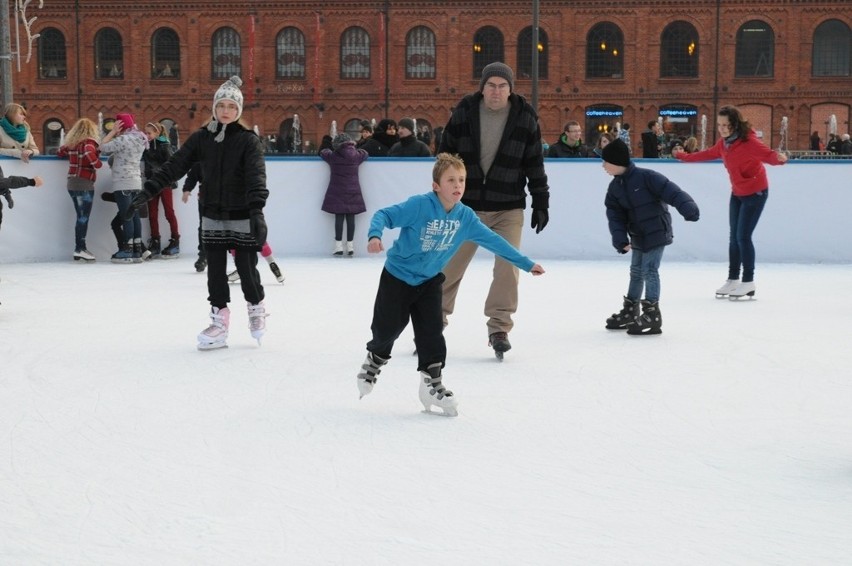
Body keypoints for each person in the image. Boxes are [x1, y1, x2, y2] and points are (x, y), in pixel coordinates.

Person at [356, 153, 545, 416]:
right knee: (387, 329)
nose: (458, 186)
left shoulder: (465, 217)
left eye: (462, 180)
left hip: (431, 281)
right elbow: (384, 215)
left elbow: (495, 241)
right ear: (436, 186)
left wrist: (525, 263)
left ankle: (432, 383)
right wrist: (375, 235)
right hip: (398, 278)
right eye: (451, 180)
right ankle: (375, 360)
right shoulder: (419, 206)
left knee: (432, 333)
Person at [126, 76, 270, 350]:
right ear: (214, 108)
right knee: (214, 271)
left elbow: (256, 177)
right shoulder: (202, 139)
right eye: (221, 105)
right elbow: (175, 165)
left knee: (246, 270)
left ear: (238, 111)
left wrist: (257, 212)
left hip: (241, 214)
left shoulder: (248, 141)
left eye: (231, 106)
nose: (226, 111)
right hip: (213, 214)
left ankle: (256, 308)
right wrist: (149, 190)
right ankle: (219, 321)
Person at [438, 61, 550, 358]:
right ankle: (434, 320)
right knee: (448, 266)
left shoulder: (525, 118)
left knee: (507, 268)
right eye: (491, 85)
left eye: (502, 86)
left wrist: (541, 199)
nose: (496, 91)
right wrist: (444, 195)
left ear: (510, 89)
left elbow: (534, 163)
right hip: (467, 208)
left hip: (507, 207)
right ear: (482, 87)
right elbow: (445, 157)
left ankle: (499, 327)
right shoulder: (463, 113)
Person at [673, 105, 787, 300]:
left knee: (743, 237)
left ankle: (748, 282)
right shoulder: (724, 144)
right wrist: (684, 157)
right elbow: (706, 154)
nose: (722, 128)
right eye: (719, 125)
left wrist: (781, 158)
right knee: (733, 237)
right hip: (737, 193)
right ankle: (733, 279)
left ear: (735, 124)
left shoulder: (749, 142)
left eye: (726, 125)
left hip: (756, 193)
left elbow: (769, 156)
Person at [602, 139, 699, 335]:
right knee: (636, 271)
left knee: (649, 270)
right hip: (637, 234)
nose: (603, 166)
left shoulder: (647, 177)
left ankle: (652, 314)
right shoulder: (615, 188)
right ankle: (631, 310)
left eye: (606, 162)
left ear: (617, 161)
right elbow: (615, 217)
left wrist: (688, 209)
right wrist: (620, 240)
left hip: (656, 232)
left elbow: (673, 192)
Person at [100, 112, 149, 263]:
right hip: (136, 182)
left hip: (122, 182)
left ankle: (127, 250)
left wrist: (113, 132)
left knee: (126, 216)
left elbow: (102, 147)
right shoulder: (141, 139)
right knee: (134, 216)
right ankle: (137, 250)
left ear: (120, 125)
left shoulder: (122, 139)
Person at [56, 117, 103, 262]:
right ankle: (80, 248)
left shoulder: (71, 144)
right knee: (83, 217)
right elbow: (96, 163)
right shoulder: (89, 144)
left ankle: (80, 248)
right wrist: (98, 159)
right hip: (84, 183)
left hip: (72, 182)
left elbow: (60, 152)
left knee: (80, 216)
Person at [319, 133, 368, 256]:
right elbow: (365, 153)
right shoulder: (356, 155)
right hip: (353, 190)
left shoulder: (333, 156)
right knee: (351, 217)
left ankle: (338, 246)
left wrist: (328, 144)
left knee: (339, 217)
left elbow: (323, 152)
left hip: (337, 190)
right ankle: (351, 246)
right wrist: (359, 149)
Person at [142, 121, 180, 258]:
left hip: (164, 183)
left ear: (157, 133)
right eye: (145, 133)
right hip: (151, 184)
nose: (147, 135)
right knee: (152, 213)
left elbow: (171, 163)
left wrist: (170, 180)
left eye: (149, 133)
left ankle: (175, 241)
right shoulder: (145, 146)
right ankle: (155, 241)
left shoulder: (165, 145)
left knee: (169, 212)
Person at [181, 162, 207, 272]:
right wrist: (187, 189)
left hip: (227, 197)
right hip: (206, 198)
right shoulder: (202, 157)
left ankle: (236, 256)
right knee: (204, 226)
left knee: (229, 225)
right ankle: (203, 256)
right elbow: (193, 175)